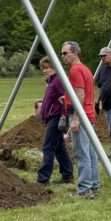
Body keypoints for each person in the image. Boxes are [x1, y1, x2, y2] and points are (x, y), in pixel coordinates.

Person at [60, 41, 99, 199]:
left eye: (65, 53)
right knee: (91, 153)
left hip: (81, 116)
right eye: (62, 53)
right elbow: (83, 92)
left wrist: (75, 119)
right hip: (88, 114)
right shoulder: (85, 69)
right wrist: (67, 97)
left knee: (81, 153)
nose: (62, 56)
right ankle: (94, 186)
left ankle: (84, 190)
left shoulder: (75, 70)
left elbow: (80, 96)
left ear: (75, 53)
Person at [35, 56, 73, 186]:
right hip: (52, 117)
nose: (45, 71)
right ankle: (67, 175)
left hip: (57, 117)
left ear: (55, 67)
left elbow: (66, 98)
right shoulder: (51, 81)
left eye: (48, 67)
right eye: (43, 68)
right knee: (59, 148)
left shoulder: (58, 81)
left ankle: (43, 178)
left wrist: (64, 117)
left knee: (48, 147)